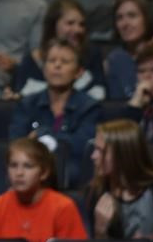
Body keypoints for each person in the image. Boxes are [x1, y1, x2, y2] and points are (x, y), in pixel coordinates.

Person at [0, 138, 89, 242]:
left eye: (28, 166)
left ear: (44, 173)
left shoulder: (63, 206)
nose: (19, 173)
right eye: (13, 165)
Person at [10, 39, 105, 188]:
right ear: (44, 68)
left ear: (79, 72)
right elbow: (16, 142)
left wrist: (44, 134)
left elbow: (83, 146)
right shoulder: (27, 104)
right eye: (51, 61)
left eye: (65, 62)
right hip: (30, 174)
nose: (57, 65)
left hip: (72, 177)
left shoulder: (89, 107)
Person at [86, 120, 153, 240]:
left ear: (122, 154)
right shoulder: (97, 191)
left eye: (101, 150)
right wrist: (100, 230)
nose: (93, 156)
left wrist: (150, 240)